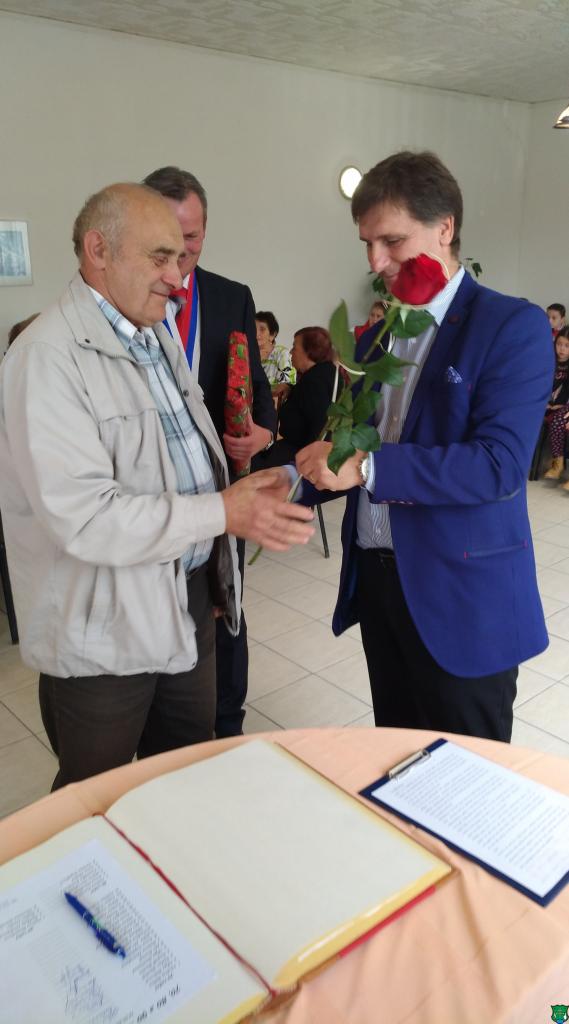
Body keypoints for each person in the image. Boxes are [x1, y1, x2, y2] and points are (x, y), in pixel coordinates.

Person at [0, 183, 314, 789]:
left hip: (186, 599)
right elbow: (87, 520)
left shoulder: (153, 334)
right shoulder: (46, 358)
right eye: (160, 257)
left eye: (182, 256)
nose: (177, 276)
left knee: (183, 777)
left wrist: (241, 505)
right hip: (103, 627)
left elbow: (180, 458)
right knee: (96, 798)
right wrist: (222, 513)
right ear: (98, 250)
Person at [296, 150, 552, 743]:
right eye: (367, 243)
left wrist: (366, 467)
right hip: (382, 585)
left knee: (467, 771)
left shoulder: (510, 326)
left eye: (391, 240)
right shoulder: (378, 336)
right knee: (398, 750)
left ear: (445, 228)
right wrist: (293, 482)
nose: (375, 261)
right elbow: (355, 446)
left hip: (461, 595)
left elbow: (498, 465)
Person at [143, 166, 276, 738]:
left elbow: (259, 392)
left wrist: (263, 434)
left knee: (226, 609)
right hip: (152, 502)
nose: (182, 252)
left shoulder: (230, 297)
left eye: (193, 237)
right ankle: (164, 730)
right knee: (161, 618)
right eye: (169, 239)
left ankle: (228, 723)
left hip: (224, 496)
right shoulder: (127, 301)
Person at [254, 326, 342, 469]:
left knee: (255, 465)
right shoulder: (325, 373)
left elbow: (320, 426)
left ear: (309, 352)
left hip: (300, 456)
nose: (290, 353)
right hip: (298, 449)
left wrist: (303, 467)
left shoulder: (315, 381)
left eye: (295, 347)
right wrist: (291, 387)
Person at [543, 326, 569, 484]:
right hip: (545, 403)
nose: (562, 349)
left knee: (558, 421)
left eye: (567, 346)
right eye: (559, 344)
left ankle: (558, 464)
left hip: (564, 407)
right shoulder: (548, 360)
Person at [256, 310, 296, 400]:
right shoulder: (247, 354)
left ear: (272, 335)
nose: (256, 333)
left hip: (272, 403)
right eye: (253, 329)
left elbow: (285, 386)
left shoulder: (281, 353)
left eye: (262, 329)